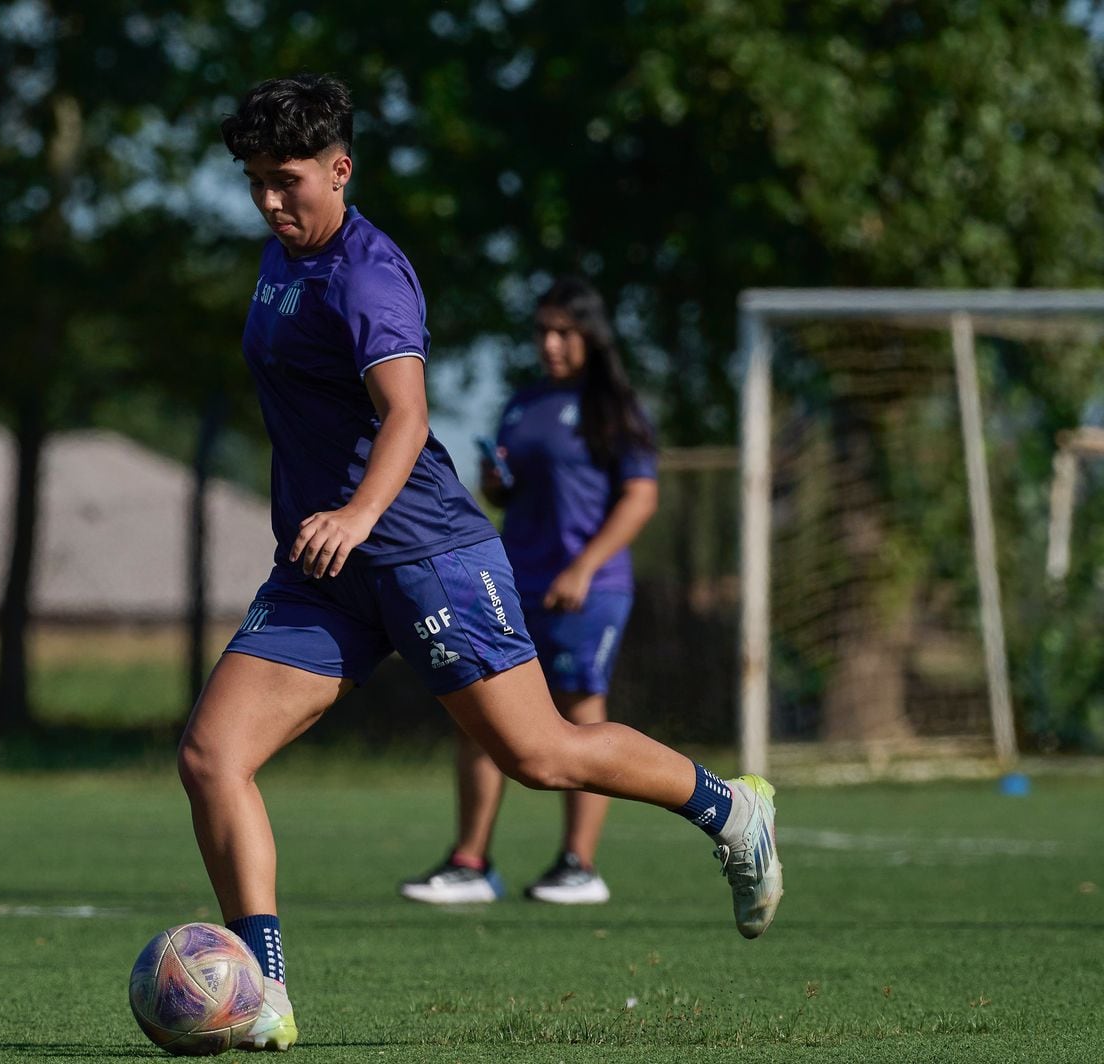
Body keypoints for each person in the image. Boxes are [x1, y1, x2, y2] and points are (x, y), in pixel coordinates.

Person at [179, 74, 782, 1053]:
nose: (268, 201)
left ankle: (730, 807)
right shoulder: (278, 256)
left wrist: (357, 510)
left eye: (286, 180)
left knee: (538, 754)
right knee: (211, 755)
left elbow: (408, 416)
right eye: (253, 181)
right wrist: (332, 525)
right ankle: (264, 992)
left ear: (340, 169)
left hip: (422, 551)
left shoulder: (368, 273)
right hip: (325, 570)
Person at [400, 276, 659, 907]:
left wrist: (585, 567)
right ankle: (470, 862)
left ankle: (578, 864)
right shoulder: (523, 405)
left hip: (587, 590)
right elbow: (507, 496)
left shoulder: (615, 409)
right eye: (543, 330)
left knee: (578, 712)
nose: (550, 343)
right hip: (514, 582)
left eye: (564, 332)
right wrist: (497, 484)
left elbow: (640, 496)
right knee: (484, 713)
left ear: (591, 337)